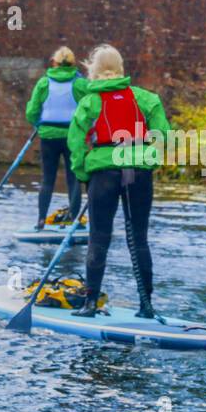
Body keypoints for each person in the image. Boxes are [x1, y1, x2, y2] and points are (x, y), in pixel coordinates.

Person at [66, 45, 170, 319]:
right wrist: (149, 161)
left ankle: (89, 305)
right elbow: (164, 137)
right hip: (138, 172)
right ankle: (146, 306)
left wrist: (83, 175)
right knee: (139, 240)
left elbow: (76, 144)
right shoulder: (147, 99)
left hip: (104, 173)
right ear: (122, 69)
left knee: (98, 238)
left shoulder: (89, 103)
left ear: (94, 71)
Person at [25, 45, 87, 228]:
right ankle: (75, 220)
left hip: (48, 138)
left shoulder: (44, 83)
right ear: (73, 63)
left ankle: (41, 220)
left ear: (54, 63)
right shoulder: (80, 84)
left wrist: (38, 124)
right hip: (72, 138)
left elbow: (31, 112)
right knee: (73, 178)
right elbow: (89, 108)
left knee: (47, 179)